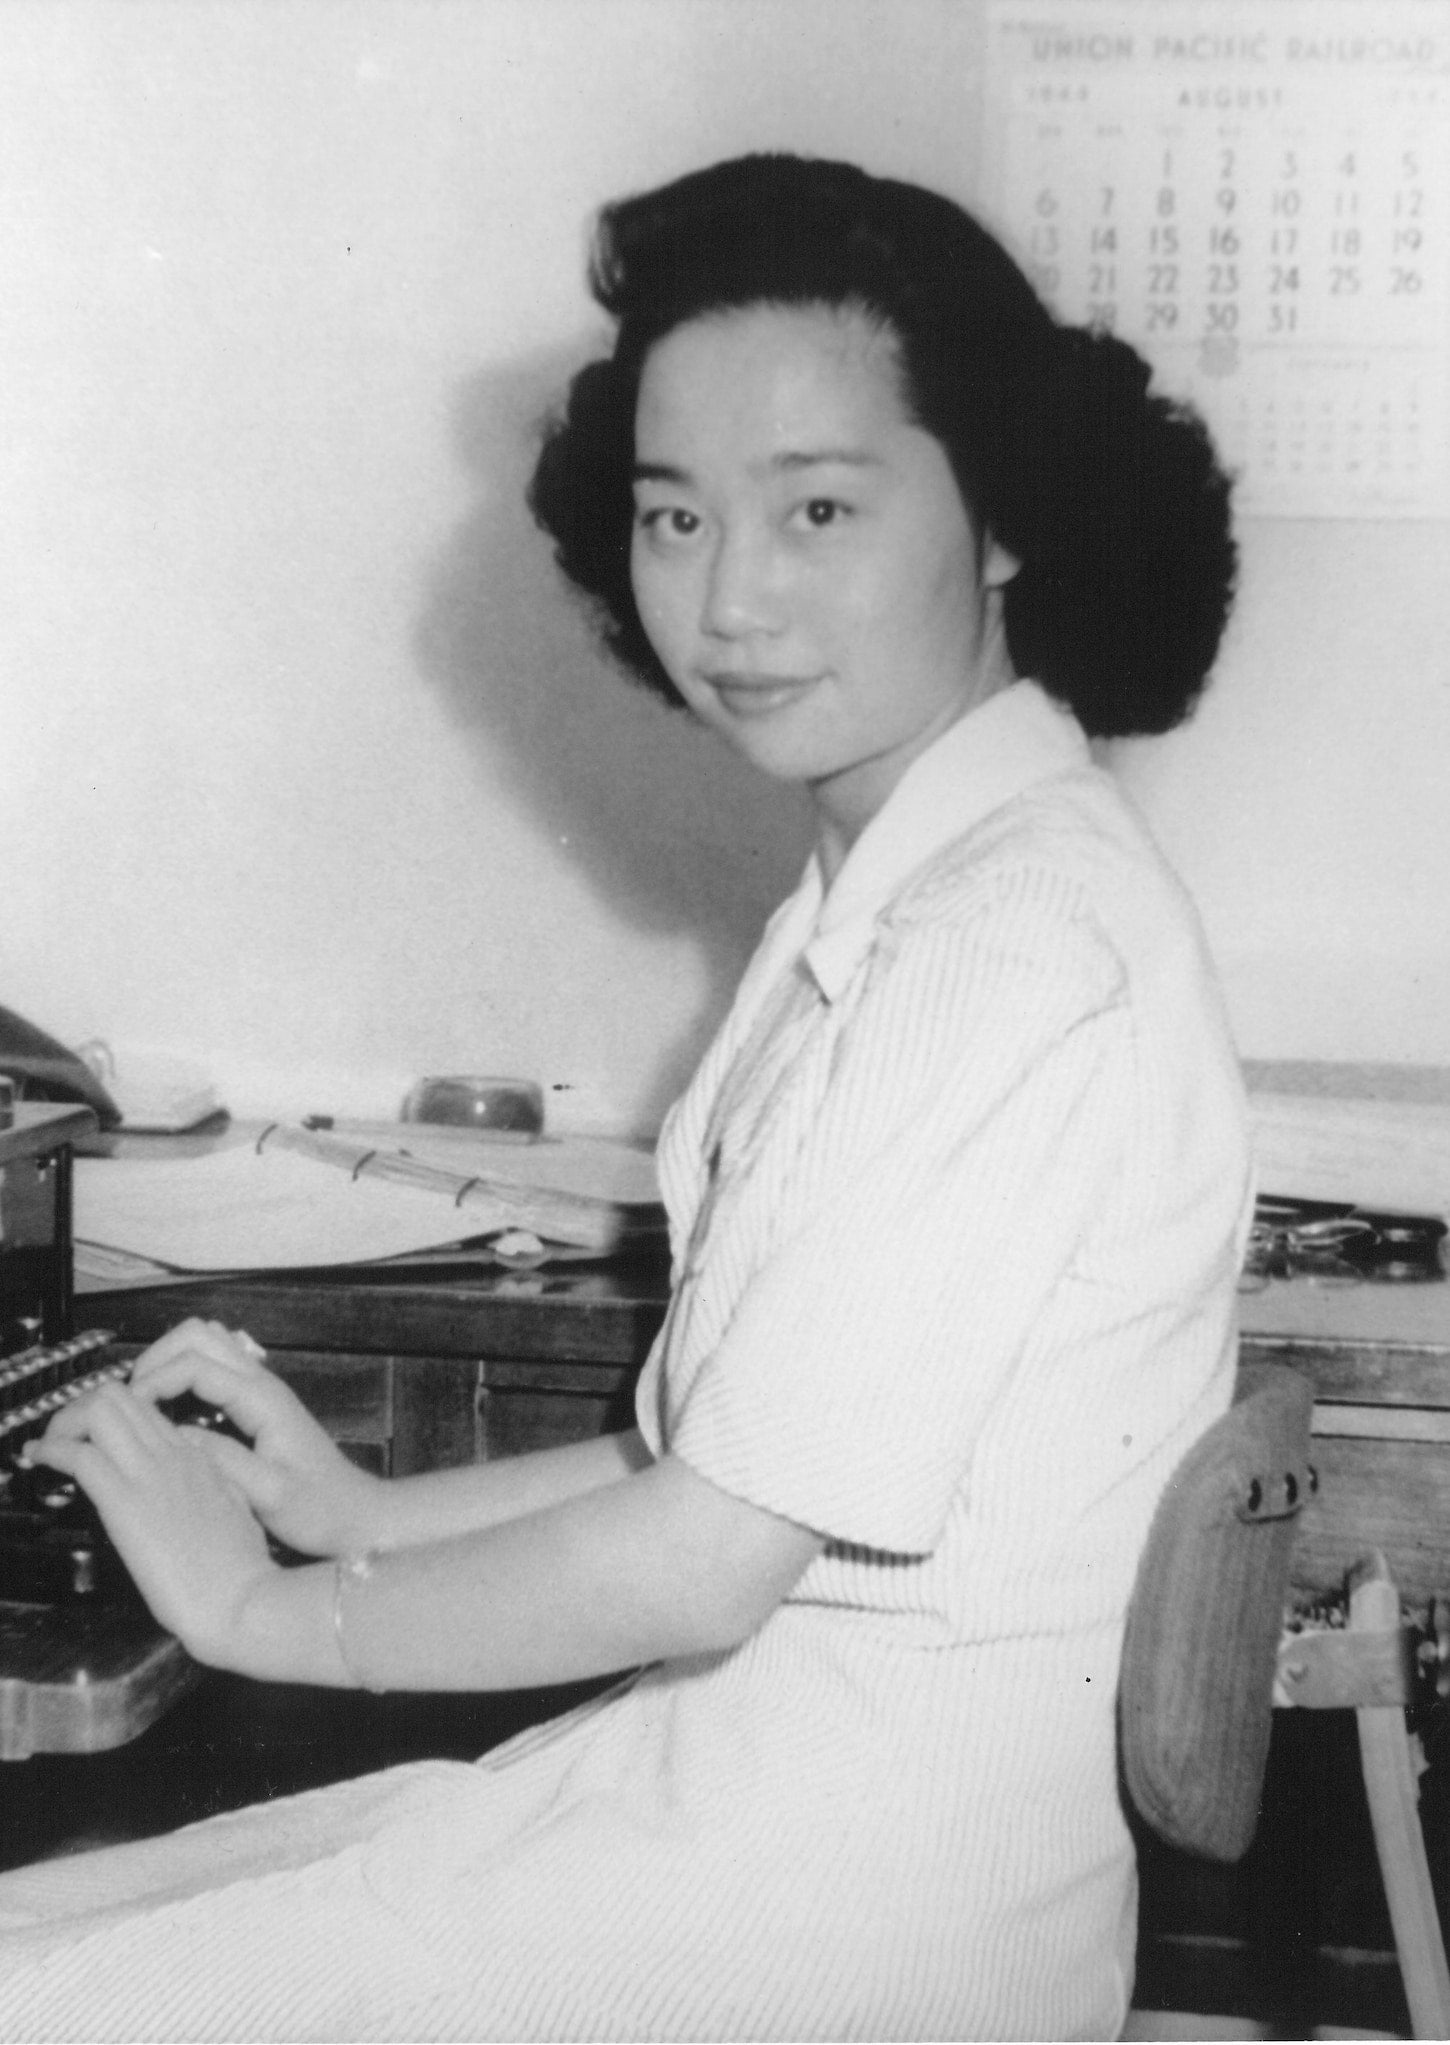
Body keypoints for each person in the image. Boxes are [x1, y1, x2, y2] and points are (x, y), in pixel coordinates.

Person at [0, 153, 1250, 2041]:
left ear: (1002, 519)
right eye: (675, 517)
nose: (729, 598)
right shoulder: (923, 878)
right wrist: (351, 1512)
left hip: (835, 1916)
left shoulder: (995, 947)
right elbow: (739, 1462)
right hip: (786, 1811)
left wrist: (266, 1619)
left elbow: (704, 1554)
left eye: (816, 506)